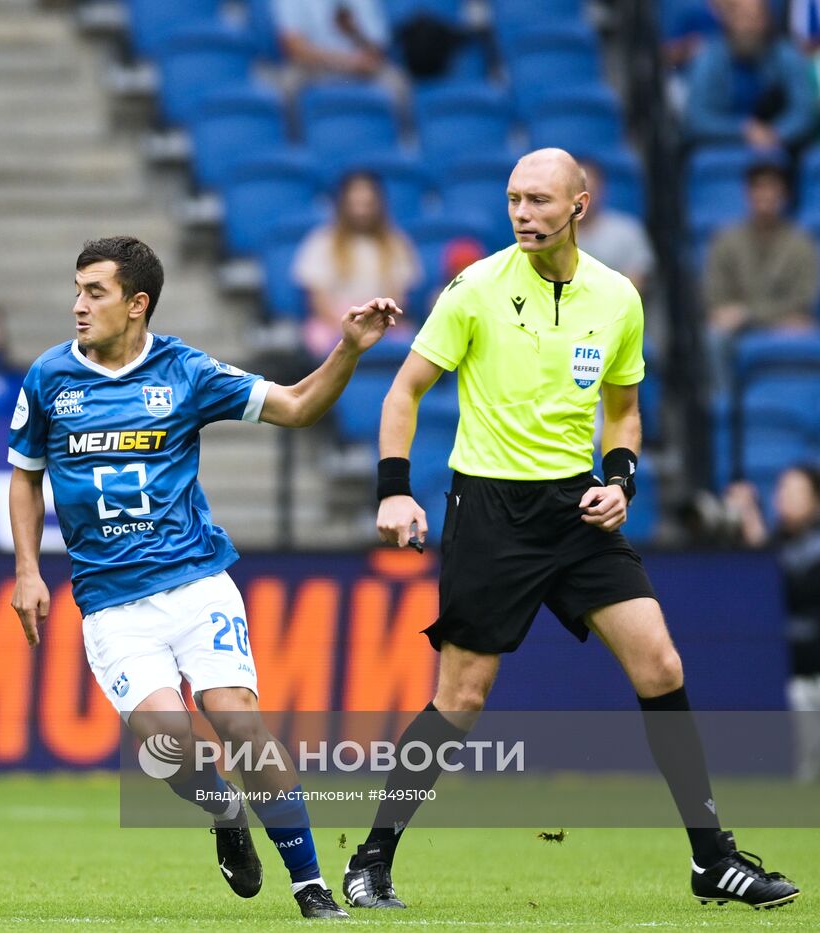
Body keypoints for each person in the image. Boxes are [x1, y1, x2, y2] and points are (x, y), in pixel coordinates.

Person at [344, 149, 800, 911]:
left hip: (576, 509)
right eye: (514, 198)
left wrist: (619, 480)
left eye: (540, 200)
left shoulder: (618, 298)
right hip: (490, 510)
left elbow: (623, 408)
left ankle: (713, 858)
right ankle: (372, 857)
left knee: (660, 663)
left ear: (579, 207)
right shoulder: (477, 289)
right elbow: (403, 392)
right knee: (461, 696)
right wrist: (393, 492)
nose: (523, 213)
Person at [9, 236, 401, 920]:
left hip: (195, 581)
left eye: (94, 292)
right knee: (167, 743)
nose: (77, 305)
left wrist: (348, 349)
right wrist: (26, 568)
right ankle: (223, 808)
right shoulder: (49, 378)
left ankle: (311, 887)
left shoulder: (184, 371)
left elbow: (299, 406)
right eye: (76, 289)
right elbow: (25, 475)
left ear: (137, 304)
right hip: (111, 601)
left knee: (240, 724)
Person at [724, 465, 820, 781]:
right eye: (781, 490)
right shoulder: (776, 540)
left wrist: (753, 526)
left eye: (795, 492)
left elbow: (792, 582)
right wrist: (746, 517)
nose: (784, 499)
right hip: (790, 678)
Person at [292, 171, 420, 358]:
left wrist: (375, 323)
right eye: (354, 203)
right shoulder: (321, 241)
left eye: (367, 204)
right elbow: (317, 299)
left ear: (379, 204)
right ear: (342, 205)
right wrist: (347, 327)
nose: (361, 211)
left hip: (383, 322)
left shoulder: (396, 243)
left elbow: (399, 297)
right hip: (334, 324)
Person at [704, 160, 819, 338]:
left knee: (805, 329)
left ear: (784, 195)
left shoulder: (801, 242)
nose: (765, 195)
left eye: (772, 188)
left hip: (782, 323)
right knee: (714, 335)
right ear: (748, 193)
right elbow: (715, 297)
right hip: (739, 326)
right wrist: (735, 315)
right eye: (758, 188)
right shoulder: (726, 239)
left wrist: (750, 314)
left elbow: (803, 299)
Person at [685, 0, 816, 152]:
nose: (749, 27)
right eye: (742, 18)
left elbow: (803, 112)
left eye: (756, 18)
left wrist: (776, 134)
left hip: (780, 149)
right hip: (723, 149)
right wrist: (744, 130)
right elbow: (698, 119)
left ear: (767, 20)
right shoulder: (708, 59)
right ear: (728, 20)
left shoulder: (787, 56)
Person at [575, 159, 655, 299]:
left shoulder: (628, 231)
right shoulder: (550, 235)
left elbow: (635, 287)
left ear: (602, 190)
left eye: (589, 192)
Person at [273, 0, 393, 82]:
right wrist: (347, 62)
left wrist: (353, 31)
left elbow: (377, 49)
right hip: (311, 67)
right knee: (286, 85)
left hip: (362, 67)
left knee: (397, 86)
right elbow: (294, 47)